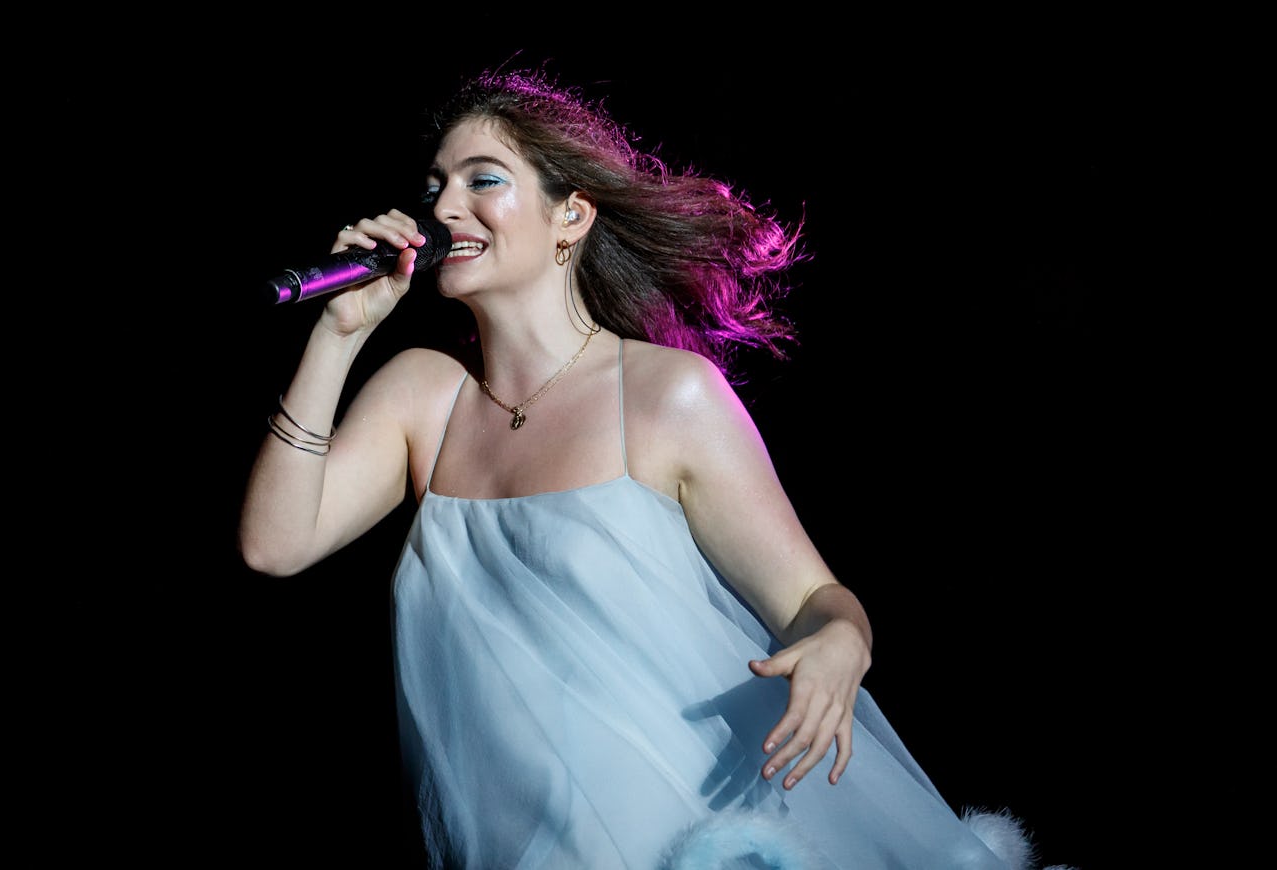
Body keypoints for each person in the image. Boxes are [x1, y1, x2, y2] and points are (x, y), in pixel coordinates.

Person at [239, 66, 1062, 870]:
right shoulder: (426, 397)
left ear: (572, 217)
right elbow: (276, 545)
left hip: (688, 827)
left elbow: (814, 599)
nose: (445, 207)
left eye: (482, 180)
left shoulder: (666, 394)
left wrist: (841, 641)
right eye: (435, 185)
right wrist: (339, 335)